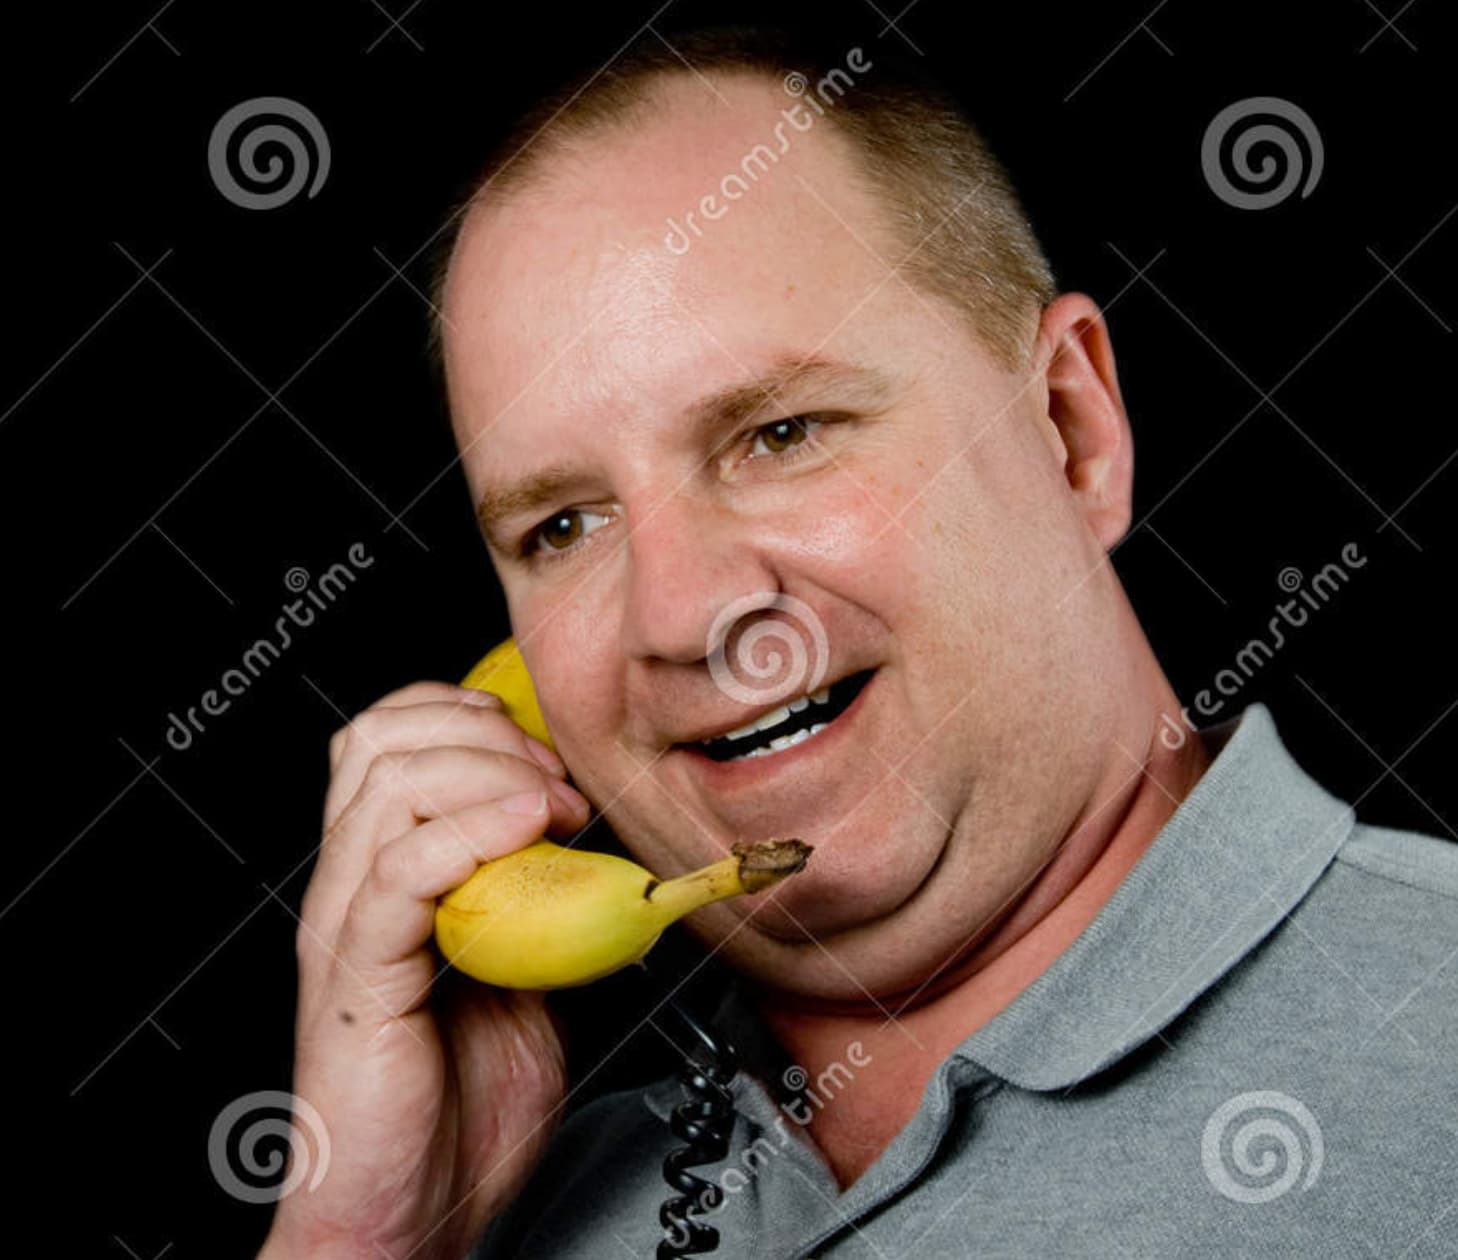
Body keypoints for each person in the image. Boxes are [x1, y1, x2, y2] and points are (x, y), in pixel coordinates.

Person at [260, 27, 1458, 1260]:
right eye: (562, 524)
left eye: (780, 434)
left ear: (1071, 428)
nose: (680, 616)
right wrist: (356, 1237)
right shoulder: (501, 1217)